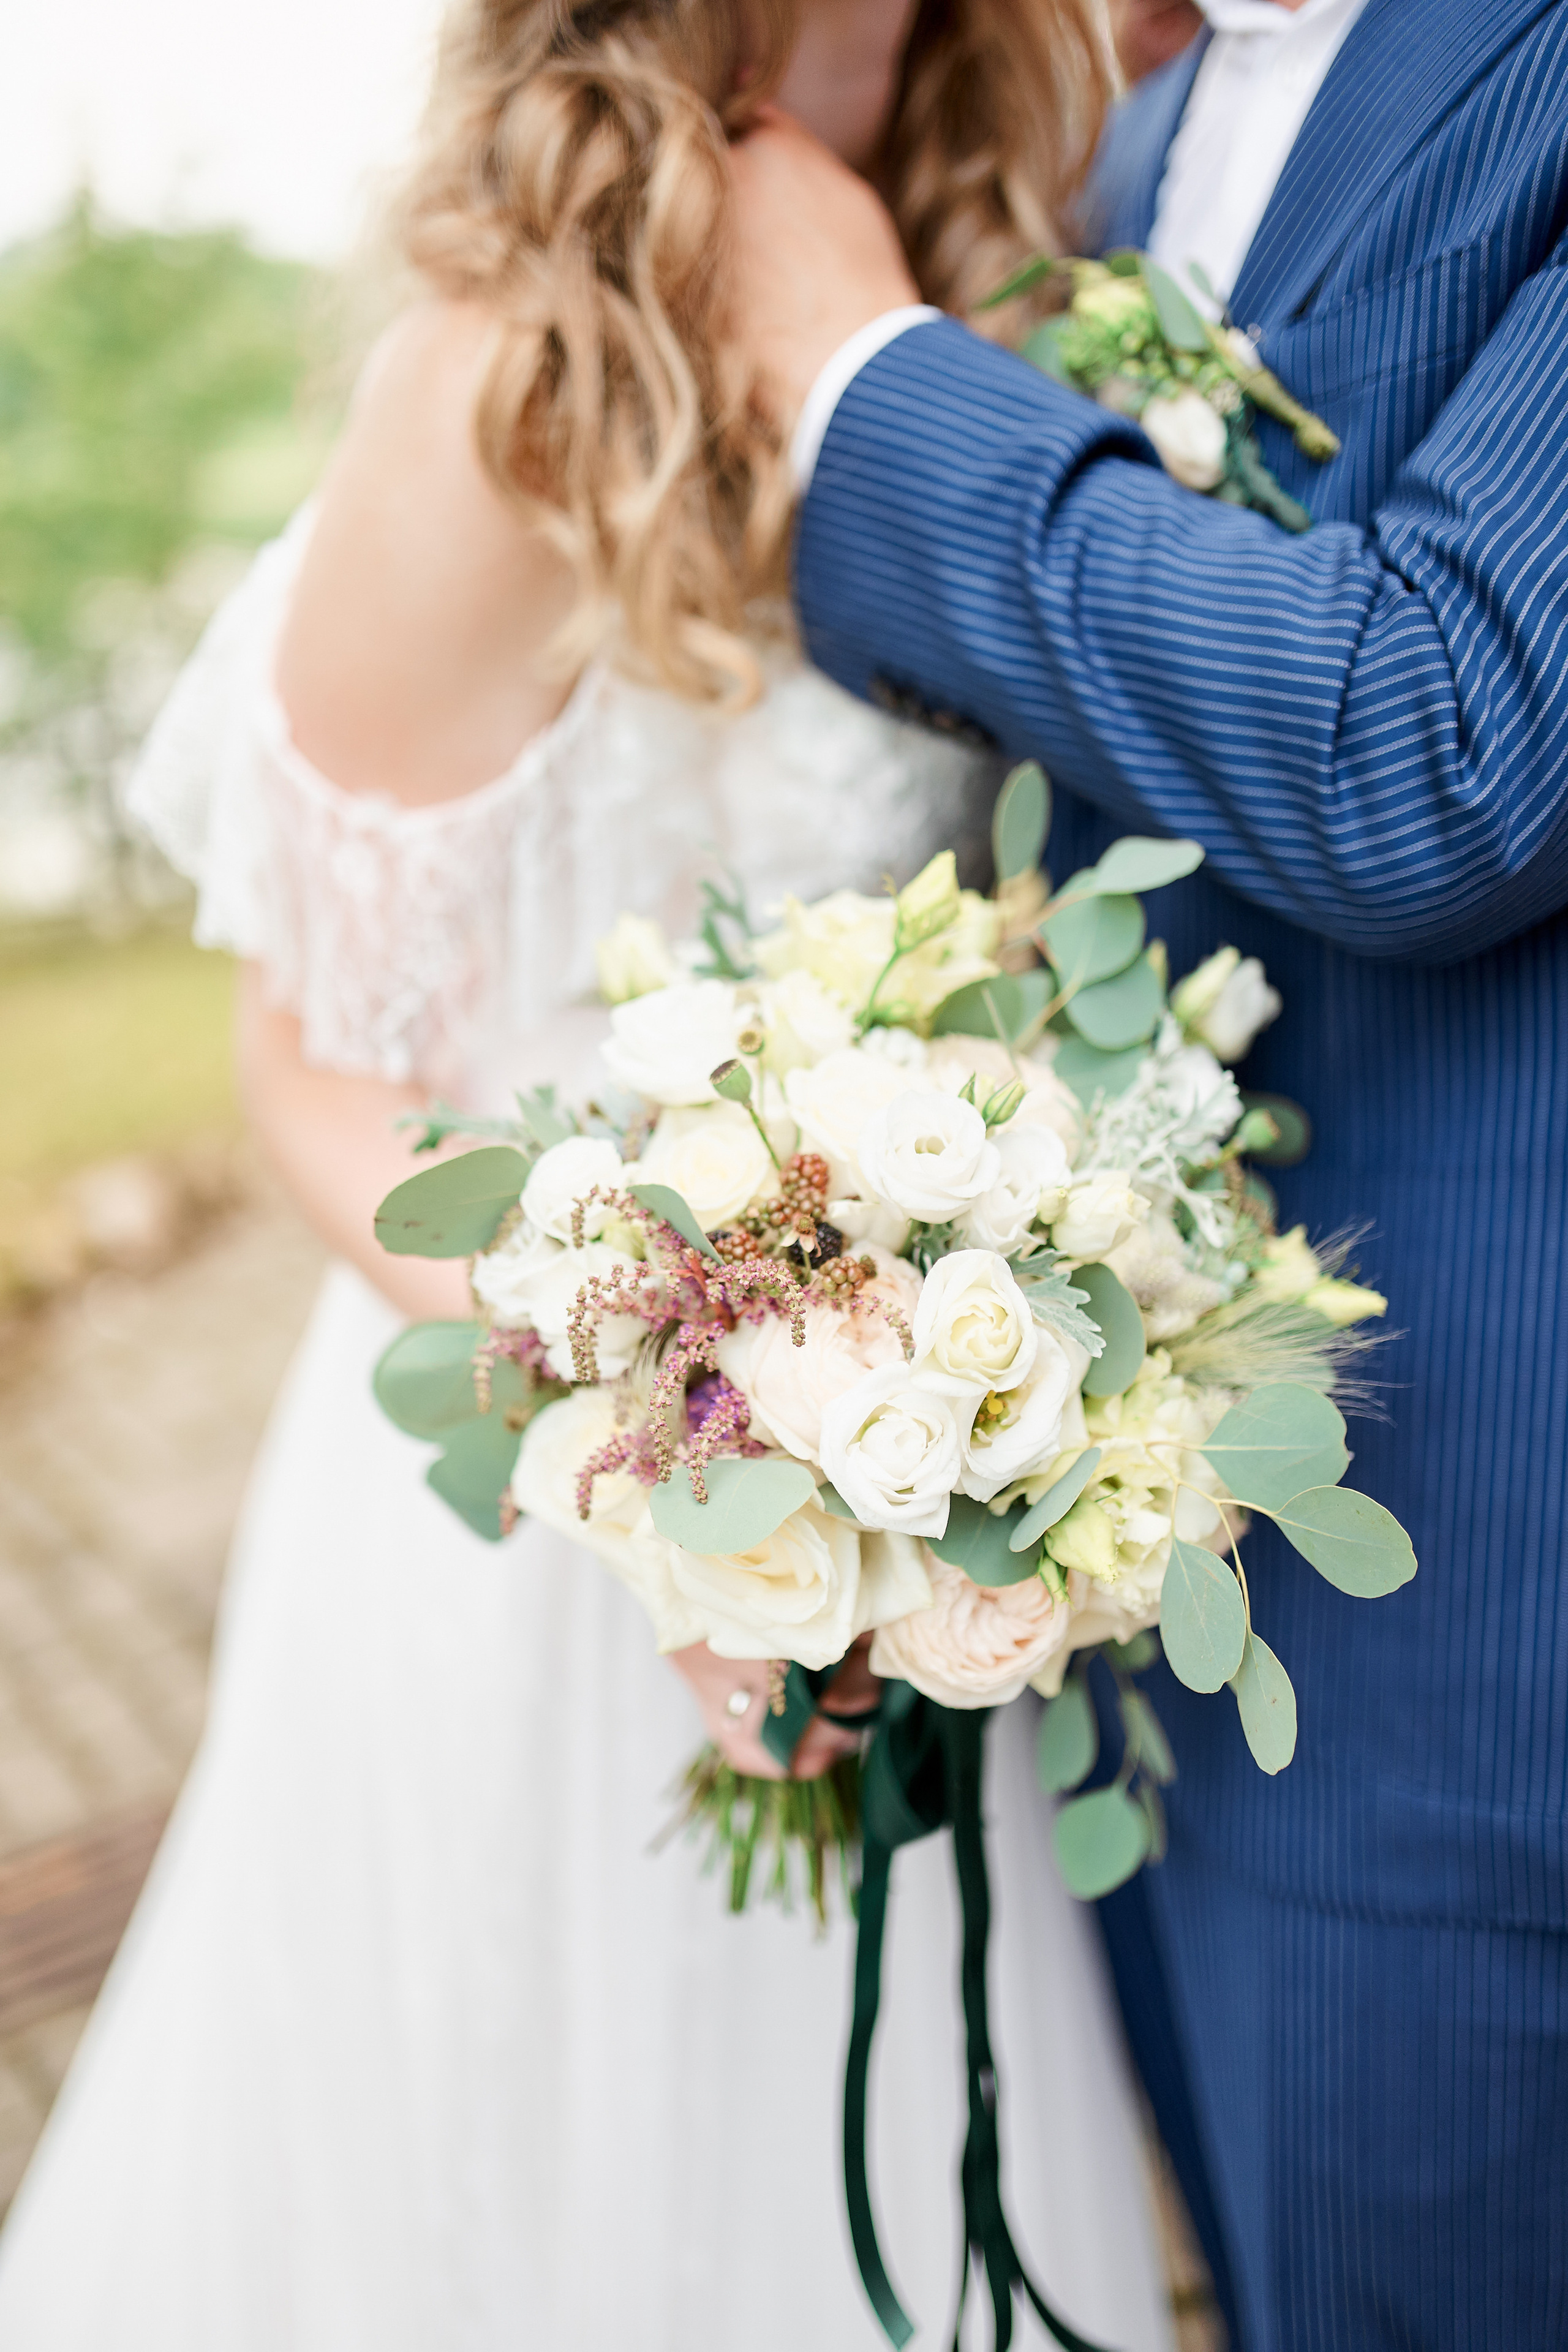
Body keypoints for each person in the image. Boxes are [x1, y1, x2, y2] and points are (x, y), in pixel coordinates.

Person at [0, 4, 1179, 2348]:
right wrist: (688, 1408)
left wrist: (947, 1392)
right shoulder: (511, 366)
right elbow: (310, 1067)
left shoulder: (1022, 261)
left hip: (909, 1523)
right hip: (541, 1515)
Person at [721, 2, 1568, 2347]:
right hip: (1144, 1633)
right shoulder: (1140, 125)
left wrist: (863, 371)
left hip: (1481, 1665)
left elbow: (1432, 736)